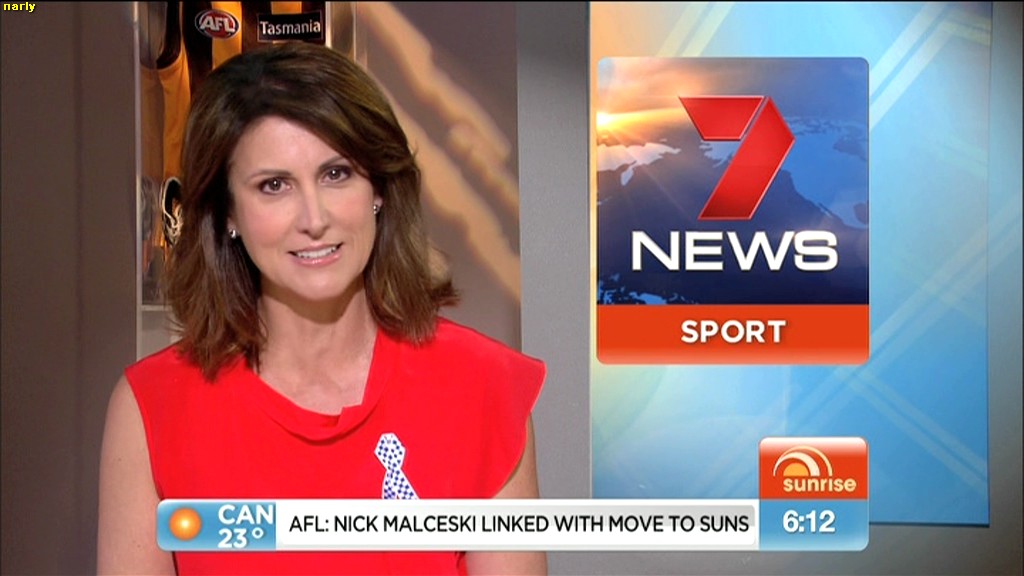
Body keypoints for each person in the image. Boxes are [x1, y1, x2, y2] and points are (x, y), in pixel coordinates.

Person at [98, 41, 546, 575]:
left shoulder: (482, 387)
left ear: (378, 189)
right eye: (274, 186)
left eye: (337, 174)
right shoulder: (153, 407)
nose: (314, 218)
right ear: (228, 213)